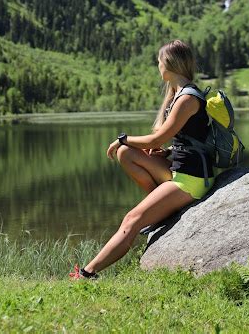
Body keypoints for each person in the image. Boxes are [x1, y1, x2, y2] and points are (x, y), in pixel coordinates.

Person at [70, 39, 216, 280]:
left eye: (159, 61)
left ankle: (88, 273)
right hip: (181, 170)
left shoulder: (188, 99)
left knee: (132, 219)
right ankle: (159, 208)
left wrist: (123, 138)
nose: (158, 66)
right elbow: (187, 139)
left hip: (191, 180)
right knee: (125, 154)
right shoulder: (180, 94)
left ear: (168, 64)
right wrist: (167, 152)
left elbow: (154, 139)